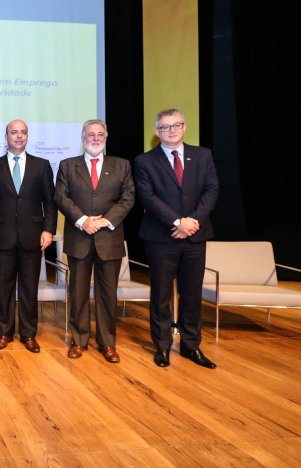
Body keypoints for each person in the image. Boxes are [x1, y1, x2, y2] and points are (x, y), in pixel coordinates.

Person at [135, 108, 219, 369]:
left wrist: (192, 222)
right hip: (161, 238)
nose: (171, 130)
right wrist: (177, 222)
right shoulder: (144, 161)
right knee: (160, 295)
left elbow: (211, 190)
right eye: (165, 127)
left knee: (192, 294)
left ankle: (191, 346)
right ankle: (162, 346)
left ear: (184, 127)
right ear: (156, 131)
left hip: (195, 236)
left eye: (176, 125)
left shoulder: (203, 155)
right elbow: (147, 197)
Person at [54, 119, 135, 363]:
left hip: (109, 238)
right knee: (78, 293)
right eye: (91, 134)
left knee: (108, 294)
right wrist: (83, 220)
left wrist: (104, 221)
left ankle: (107, 343)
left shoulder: (122, 165)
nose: (96, 138)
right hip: (79, 237)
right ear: (83, 138)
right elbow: (61, 196)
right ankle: (78, 340)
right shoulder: (68, 165)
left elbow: (128, 198)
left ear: (106, 138)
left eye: (100, 134)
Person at [0, 120, 57, 353]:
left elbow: (50, 202)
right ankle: (5, 332)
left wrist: (48, 230)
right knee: (4, 288)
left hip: (33, 236)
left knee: (29, 288)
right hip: (2, 236)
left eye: (23, 132)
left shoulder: (42, 165)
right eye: (14, 132)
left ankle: (28, 334)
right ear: (6, 137)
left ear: (27, 136)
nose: (19, 136)